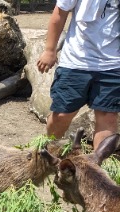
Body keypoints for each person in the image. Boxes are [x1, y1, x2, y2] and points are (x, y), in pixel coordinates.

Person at [36, 0, 120, 150]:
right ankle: (46, 153)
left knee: (108, 116)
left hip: (112, 64)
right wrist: (50, 50)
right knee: (61, 115)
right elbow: (59, 13)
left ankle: (99, 166)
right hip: (76, 61)